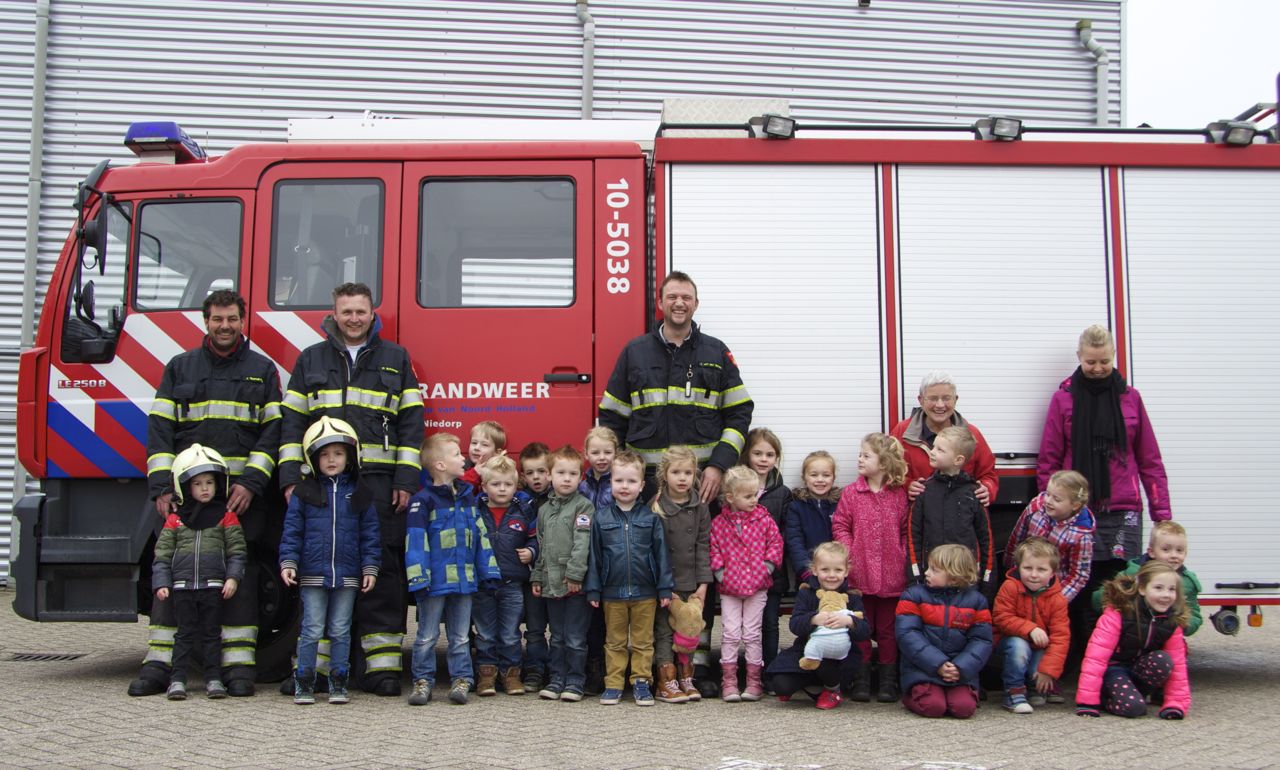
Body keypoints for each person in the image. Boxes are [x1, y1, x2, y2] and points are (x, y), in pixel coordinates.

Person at [131, 289, 280, 698]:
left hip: (238, 502)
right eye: (217, 319)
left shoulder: (262, 370)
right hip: (188, 502)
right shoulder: (180, 368)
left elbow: (272, 436)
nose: (225, 326)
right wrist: (162, 487)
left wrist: (251, 483)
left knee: (240, 579)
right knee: (174, 578)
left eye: (232, 318)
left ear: (243, 320)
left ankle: (236, 669)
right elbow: (161, 432)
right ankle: (159, 666)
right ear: (206, 321)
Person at [279, 282, 423, 696]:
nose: (355, 319)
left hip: (377, 482)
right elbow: (292, 424)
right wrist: (291, 477)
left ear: (372, 313)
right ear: (334, 313)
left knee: (383, 573)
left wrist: (405, 479)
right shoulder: (311, 360)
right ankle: (320, 670)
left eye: (361, 312)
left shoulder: (396, 358)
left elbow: (411, 424)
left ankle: (380, 670)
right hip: (320, 484)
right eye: (347, 312)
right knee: (322, 571)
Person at [1038, 324, 1171, 662]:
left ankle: (1115, 659)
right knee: (1078, 589)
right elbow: (1049, 459)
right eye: (1090, 362)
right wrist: (1050, 505)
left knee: (1120, 588)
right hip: (1078, 511)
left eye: (1104, 362)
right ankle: (1080, 661)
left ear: (1114, 357)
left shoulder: (1131, 398)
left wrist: (1162, 516)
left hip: (1123, 509)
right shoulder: (1063, 399)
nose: (1097, 369)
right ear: (1079, 358)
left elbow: (1149, 459)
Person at [598, 271, 754, 504]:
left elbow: (739, 413)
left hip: (700, 481)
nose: (679, 303)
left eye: (686, 297)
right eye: (672, 297)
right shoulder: (635, 352)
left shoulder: (716, 352)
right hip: (645, 482)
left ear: (696, 304)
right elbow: (612, 417)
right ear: (660, 303)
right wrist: (625, 472)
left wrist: (718, 465)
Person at [277, 417, 380, 705]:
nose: (331, 459)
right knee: (310, 629)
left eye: (338, 453)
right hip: (312, 574)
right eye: (324, 454)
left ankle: (338, 683)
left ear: (350, 456)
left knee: (340, 630)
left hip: (347, 575)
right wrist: (288, 562)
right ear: (312, 458)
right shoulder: (304, 492)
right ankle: (305, 682)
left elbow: (370, 534)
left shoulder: (359, 493)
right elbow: (292, 531)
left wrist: (370, 567)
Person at [404, 433, 501, 706]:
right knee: (426, 635)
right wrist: (419, 577)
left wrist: (489, 572)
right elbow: (415, 542)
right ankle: (423, 681)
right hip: (433, 583)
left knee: (460, 636)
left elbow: (481, 537)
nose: (464, 458)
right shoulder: (422, 502)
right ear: (440, 465)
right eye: (457, 454)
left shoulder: (468, 498)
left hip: (464, 580)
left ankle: (462, 679)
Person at [152, 444, 247, 701]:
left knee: (211, 635)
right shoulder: (175, 520)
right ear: (185, 487)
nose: (205, 488)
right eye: (197, 483)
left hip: (213, 587)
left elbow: (237, 551)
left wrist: (232, 578)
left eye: (209, 482)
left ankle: (214, 679)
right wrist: (162, 583)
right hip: (182, 588)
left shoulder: (226, 517)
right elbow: (161, 555)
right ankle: (177, 680)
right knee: (184, 635)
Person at [586, 451, 674, 706]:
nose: (625, 486)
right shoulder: (601, 518)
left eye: (631, 481)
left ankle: (641, 682)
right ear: (610, 482)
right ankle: (613, 684)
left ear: (642, 485)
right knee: (614, 641)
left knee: (643, 642)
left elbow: (661, 556)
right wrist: (593, 589)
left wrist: (664, 588)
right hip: (612, 593)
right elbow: (594, 557)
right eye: (619, 480)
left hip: (645, 593)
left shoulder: (651, 519)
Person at [831, 432, 910, 703]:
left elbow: (905, 530)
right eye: (860, 454)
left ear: (885, 463)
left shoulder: (899, 495)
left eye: (866, 455)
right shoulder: (852, 493)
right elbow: (841, 524)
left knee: (888, 631)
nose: (860, 459)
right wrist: (849, 552)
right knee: (860, 629)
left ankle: (888, 680)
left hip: (892, 576)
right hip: (860, 574)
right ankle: (861, 677)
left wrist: (902, 555)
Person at [1076, 561, 1191, 719]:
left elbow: (1178, 666)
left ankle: (1134, 694)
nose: (1166, 594)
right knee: (1134, 708)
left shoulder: (1172, 622)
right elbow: (1096, 658)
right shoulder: (1119, 613)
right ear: (1142, 589)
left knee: (1163, 660)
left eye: (1171, 589)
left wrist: (1175, 704)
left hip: (1138, 669)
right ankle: (1107, 699)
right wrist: (1088, 702)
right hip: (1113, 670)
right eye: (1158, 588)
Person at [710, 465, 784, 703]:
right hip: (729, 589)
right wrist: (722, 575)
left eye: (755, 495)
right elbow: (714, 551)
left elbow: (775, 545)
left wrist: (766, 570)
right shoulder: (719, 524)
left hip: (758, 587)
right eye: (748, 496)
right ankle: (729, 681)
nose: (754, 500)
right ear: (731, 497)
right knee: (730, 633)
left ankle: (754, 681)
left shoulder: (764, 520)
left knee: (752, 634)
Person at [767, 542, 871, 710]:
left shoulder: (852, 597)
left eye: (838, 570)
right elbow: (794, 625)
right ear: (814, 570)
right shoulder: (806, 593)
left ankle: (832, 690)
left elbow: (865, 631)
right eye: (825, 570)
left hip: (838, 658)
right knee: (780, 686)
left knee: (826, 667)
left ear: (846, 571)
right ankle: (814, 688)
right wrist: (814, 619)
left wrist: (850, 621)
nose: (831, 575)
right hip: (807, 651)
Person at [529, 445, 596, 701]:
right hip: (550, 583)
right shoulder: (544, 510)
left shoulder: (584, 507)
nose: (566, 478)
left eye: (572, 474)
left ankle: (575, 681)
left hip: (574, 585)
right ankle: (557, 678)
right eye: (561, 473)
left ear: (580, 478)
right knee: (556, 636)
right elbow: (541, 546)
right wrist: (537, 576)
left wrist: (576, 575)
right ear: (549, 476)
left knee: (575, 637)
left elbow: (582, 543)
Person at [896, 544, 993, 719]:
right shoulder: (913, 595)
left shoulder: (977, 602)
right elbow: (908, 635)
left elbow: (981, 640)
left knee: (964, 709)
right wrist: (938, 664)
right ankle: (909, 697)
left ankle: (962, 692)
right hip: (923, 670)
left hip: (959, 673)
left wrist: (961, 667)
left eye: (934, 570)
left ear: (954, 578)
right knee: (933, 707)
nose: (926, 572)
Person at [650, 446, 712, 703]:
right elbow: (652, 551)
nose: (682, 478)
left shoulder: (700, 507)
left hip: (691, 582)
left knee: (688, 630)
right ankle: (666, 678)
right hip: (666, 584)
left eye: (688, 472)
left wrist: (703, 584)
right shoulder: (655, 507)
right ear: (665, 474)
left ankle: (687, 675)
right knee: (664, 630)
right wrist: (661, 585)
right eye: (676, 472)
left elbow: (703, 545)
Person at [473, 455, 539, 697]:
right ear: (484, 487)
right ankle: (486, 675)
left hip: (512, 584)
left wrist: (532, 551)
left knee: (511, 633)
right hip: (483, 584)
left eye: (508, 485)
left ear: (516, 486)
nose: (502, 489)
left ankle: (511, 675)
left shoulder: (523, 510)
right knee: (486, 633)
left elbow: (535, 537)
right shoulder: (475, 510)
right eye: (496, 484)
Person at [891, 371, 998, 507]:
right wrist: (907, 485)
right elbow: (886, 473)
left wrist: (987, 488)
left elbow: (989, 474)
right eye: (933, 398)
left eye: (946, 398)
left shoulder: (972, 434)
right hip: (918, 519)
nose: (940, 405)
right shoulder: (901, 433)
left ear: (955, 400)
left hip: (961, 519)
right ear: (921, 400)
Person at [906, 426, 994, 589]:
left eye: (940, 450)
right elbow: (913, 536)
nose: (932, 452)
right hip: (930, 581)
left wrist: (987, 582)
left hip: (965, 582)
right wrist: (915, 576)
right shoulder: (924, 491)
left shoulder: (974, 493)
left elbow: (985, 539)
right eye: (934, 447)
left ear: (958, 460)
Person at [993, 537, 1070, 714]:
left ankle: (1034, 687)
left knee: (1042, 666)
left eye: (1041, 569)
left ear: (1052, 573)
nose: (1033, 574)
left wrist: (1048, 671)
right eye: (1027, 568)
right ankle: (1013, 692)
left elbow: (1061, 636)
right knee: (1019, 647)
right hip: (1009, 642)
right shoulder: (1010, 587)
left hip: (1040, 646)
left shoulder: (1058, 599)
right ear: (1018, 568)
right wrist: (1030, 628)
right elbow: (1001, 617)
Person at [1092, 521, 1202, 637]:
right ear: (1152, 552)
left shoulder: (1187, 583)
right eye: (1166, 549)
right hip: (1127, 635)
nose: (1174, 555)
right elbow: (1098, 599)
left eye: (1179, 550)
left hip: (1163, 637)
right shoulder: (1133, 573)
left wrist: (1178, 624)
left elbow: (1194, 615)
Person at [742, 428, 793, 672]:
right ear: (747, 455)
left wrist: (769, 563)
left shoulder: (782, 494)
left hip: (770, 573)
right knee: (742, 624)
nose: (764, 459)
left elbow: (785, 533)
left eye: (770, 454)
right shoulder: (735, 491)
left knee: (770, 622)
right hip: (739, 572)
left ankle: (771, 670)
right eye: (758, 453)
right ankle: (750, 670)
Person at [1005, 470, 1095, 602]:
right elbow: (1016, 538)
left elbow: (1078, 575)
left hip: (1052, 591)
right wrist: (1010, 572)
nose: (1048, 501)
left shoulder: (1081, 535)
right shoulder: (1035, 507)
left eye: (1056, 499)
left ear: (1075, 505)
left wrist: (1058, 600)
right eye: (1048, 494)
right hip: (1021, 580)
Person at [517, 442, 553, 693]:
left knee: (561, 629)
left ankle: (558, 669)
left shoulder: (560, 498)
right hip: (532, 577)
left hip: (558, 574)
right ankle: (535, 668)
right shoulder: (520, 502)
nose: (536, 477)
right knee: (535, 627)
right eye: (530, 473)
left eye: (541, 471)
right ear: (522, 476)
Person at [579, 426, 619, 509]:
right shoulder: (581, 487)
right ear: (586, 454)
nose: (602, 457)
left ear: (616, 453)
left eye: (607, 452)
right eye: (595, 453)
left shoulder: (620, 486)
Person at [461, 420, 506, 490]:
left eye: (485, 445)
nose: (476, 448)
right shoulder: (462, 467)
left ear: (497, 452)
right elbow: (458, 490)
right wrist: (475, 473)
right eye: (474, 443)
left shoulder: (503, 469)